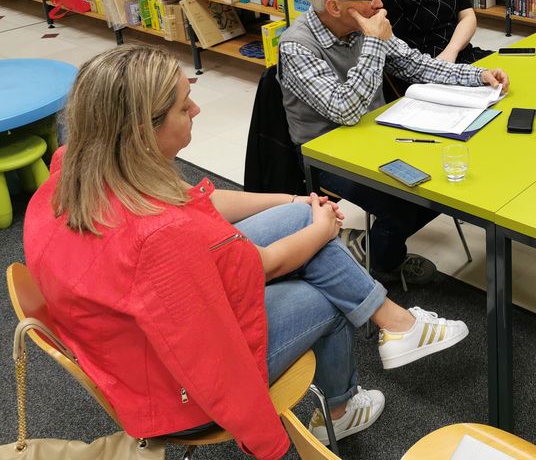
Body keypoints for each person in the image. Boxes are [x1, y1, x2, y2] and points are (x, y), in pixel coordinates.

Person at [23, 45, 471, 459]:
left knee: (301, 224)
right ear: (143, 132)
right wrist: (320, 230)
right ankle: (340, 408)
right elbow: (261, 267)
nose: (197, 109)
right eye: (183, 106)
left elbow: (200, 201)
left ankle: (395, 324)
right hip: (173, 392)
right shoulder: (162, 236)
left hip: (128, 346)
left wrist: (294, 201)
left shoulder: (79, 171)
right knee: (327, 295)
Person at [278, 0, 510, 285]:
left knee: (447, 183)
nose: (379, 3)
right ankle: (379, 258)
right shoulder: (297, 46)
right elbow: (345, 110)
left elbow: (416, 64)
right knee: (406, 204)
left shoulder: (363, 24)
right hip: (328, 154)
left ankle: (365, 246)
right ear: (334, 7)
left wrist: (477, 76)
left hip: (378, 136)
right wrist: (374, 42)